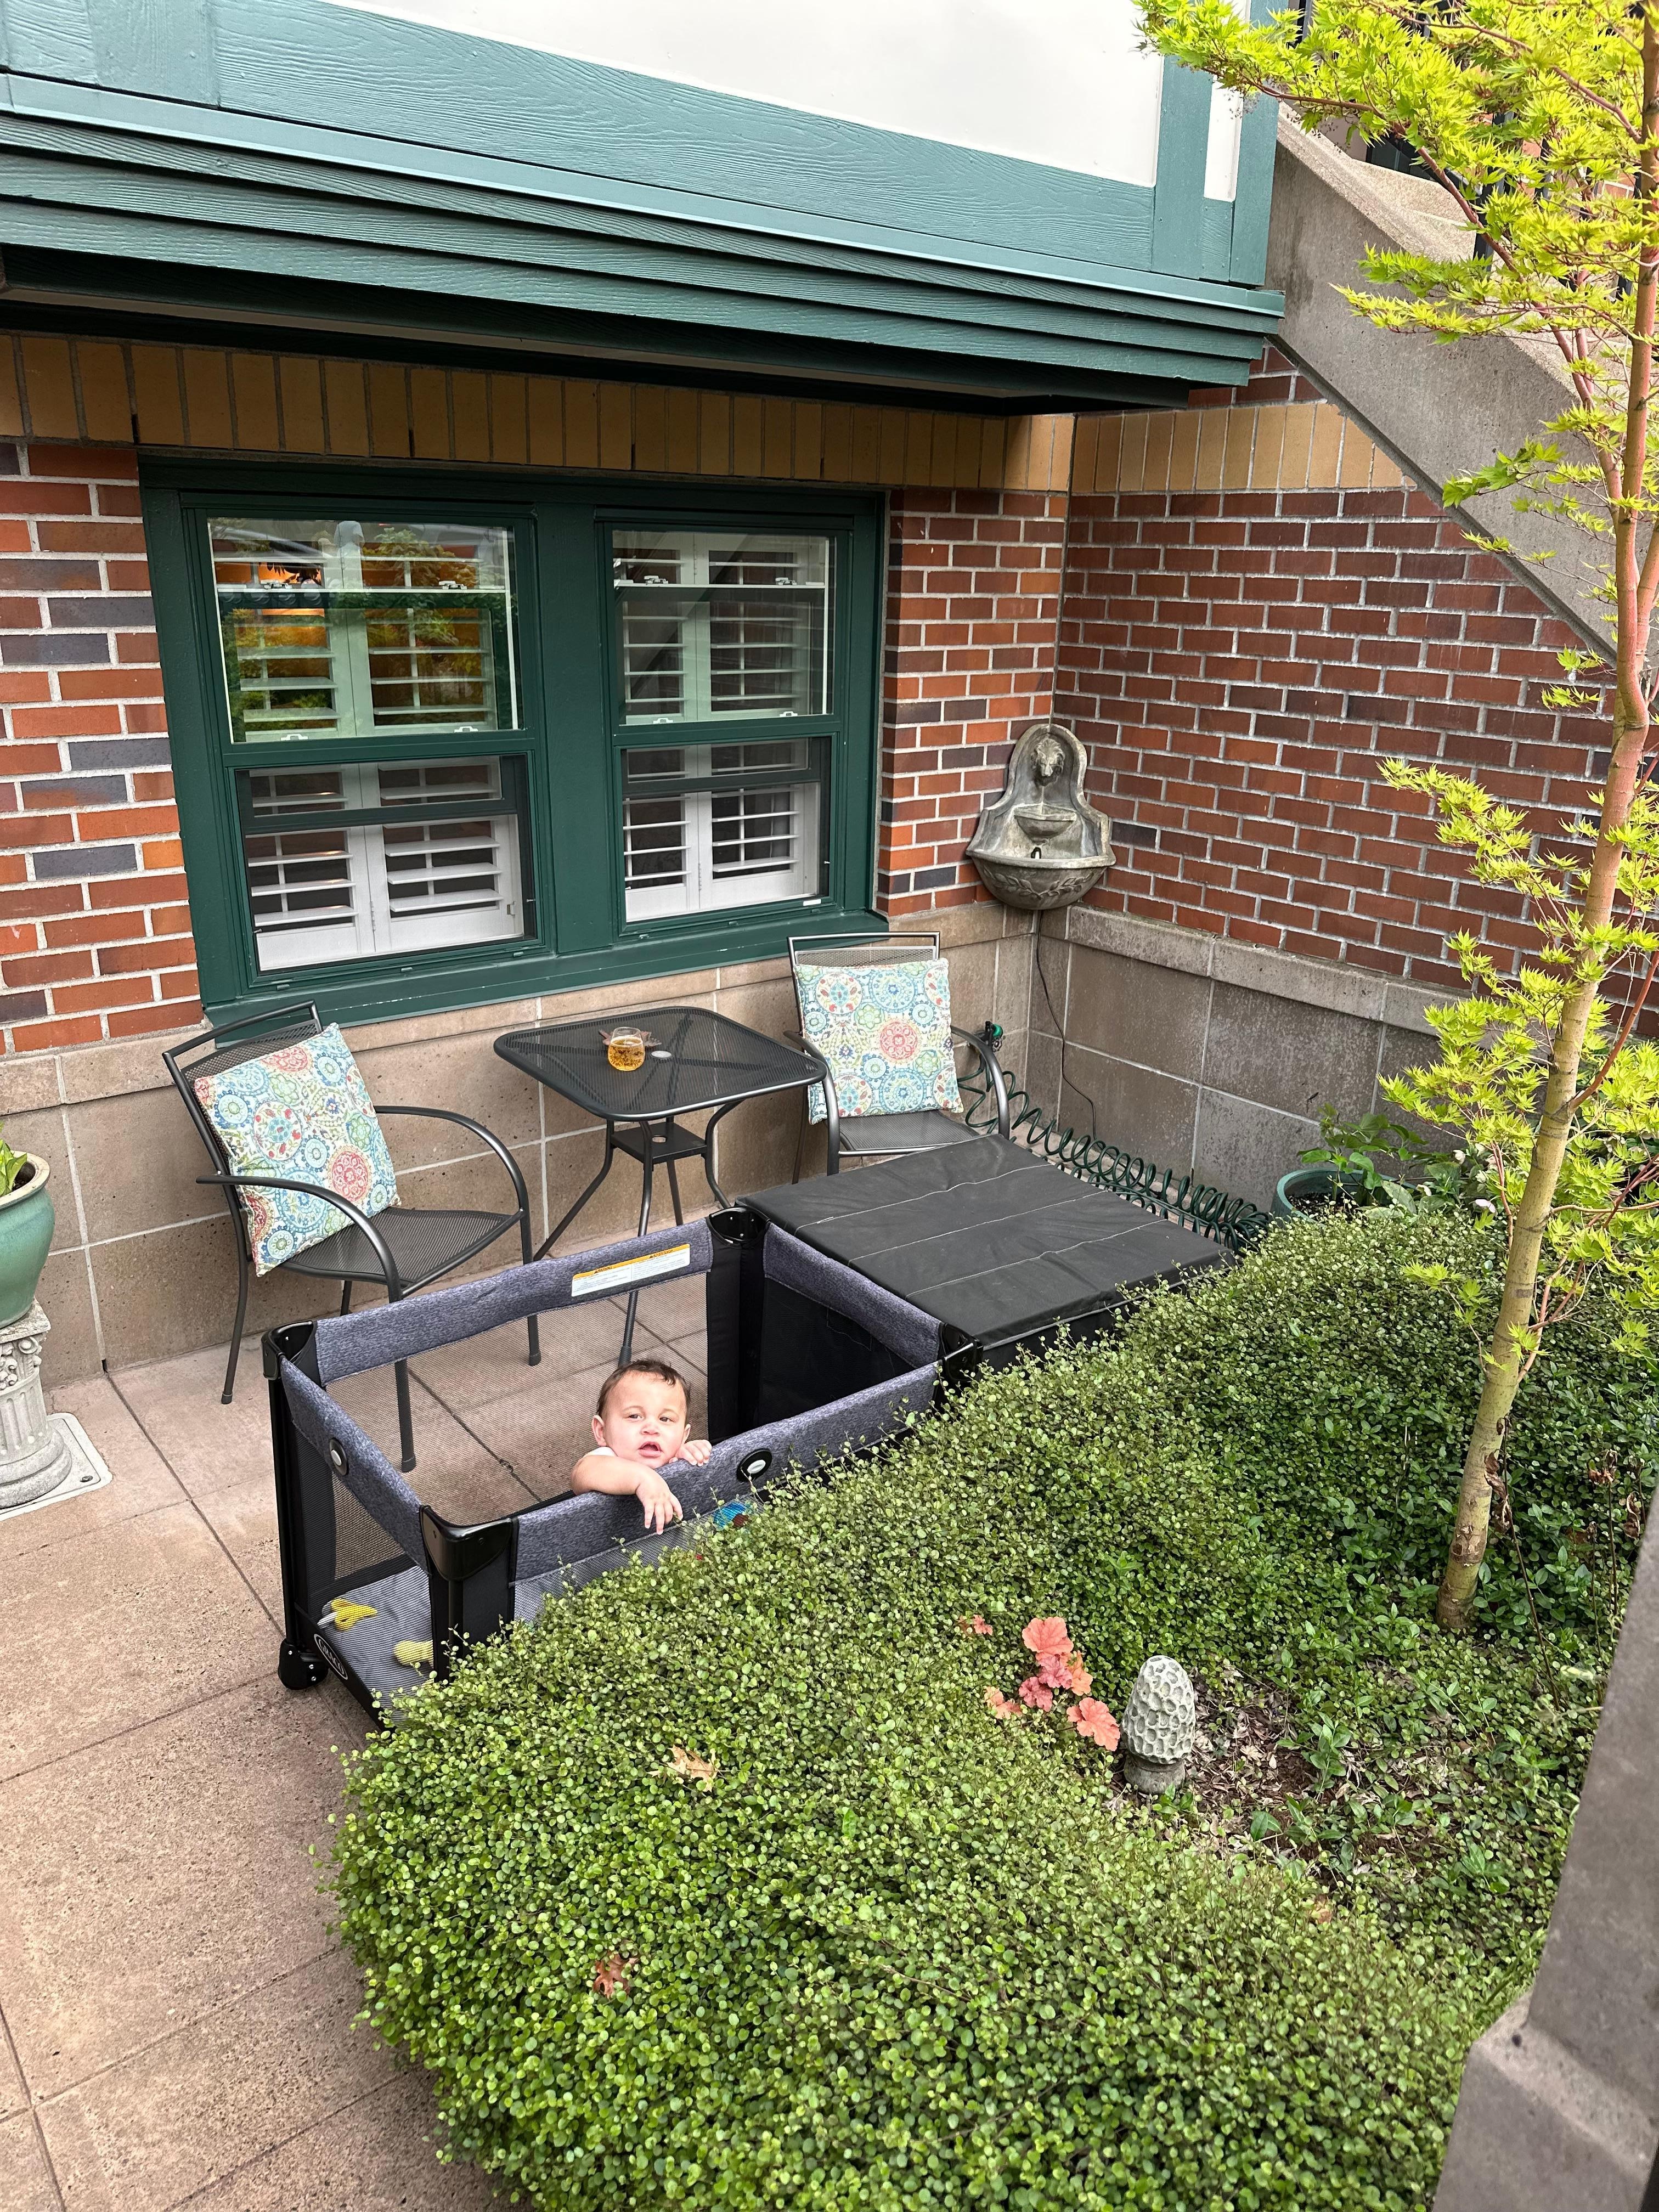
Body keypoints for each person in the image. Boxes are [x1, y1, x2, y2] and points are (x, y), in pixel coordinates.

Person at [569, 1356, 710, 1532]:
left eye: (665, 1419)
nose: (651, 1428)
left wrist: (691, 1456)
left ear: (684, 1436)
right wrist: (643, 1478)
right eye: (634, 1416)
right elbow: (581, 1473)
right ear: (601, 1431)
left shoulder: (674, 1456)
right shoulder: (606, 1457)